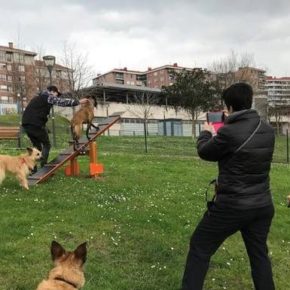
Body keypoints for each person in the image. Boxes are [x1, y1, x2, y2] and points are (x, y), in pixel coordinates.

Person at [182, 83, 275, 290]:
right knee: (259, 255)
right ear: (249, 101)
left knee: (200, 246)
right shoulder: (268, 130)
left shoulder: (228, 133)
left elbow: (205, 152)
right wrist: (230, 121)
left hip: (233, 206)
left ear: (230, 106)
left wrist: (206, 132)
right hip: (262, 204)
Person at [22, 85, 87, 172]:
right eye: (57, 94)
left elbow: (35, 112)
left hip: (27, 124)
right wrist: (78, 102)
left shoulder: (37, 98)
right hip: (35, 124)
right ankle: (43, 166)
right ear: (53, 91)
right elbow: (62, 102)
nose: (56, 97)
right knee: (46, 144)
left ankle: (33, 170)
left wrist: (43, 126)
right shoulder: (48, 96)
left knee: (37, 147)